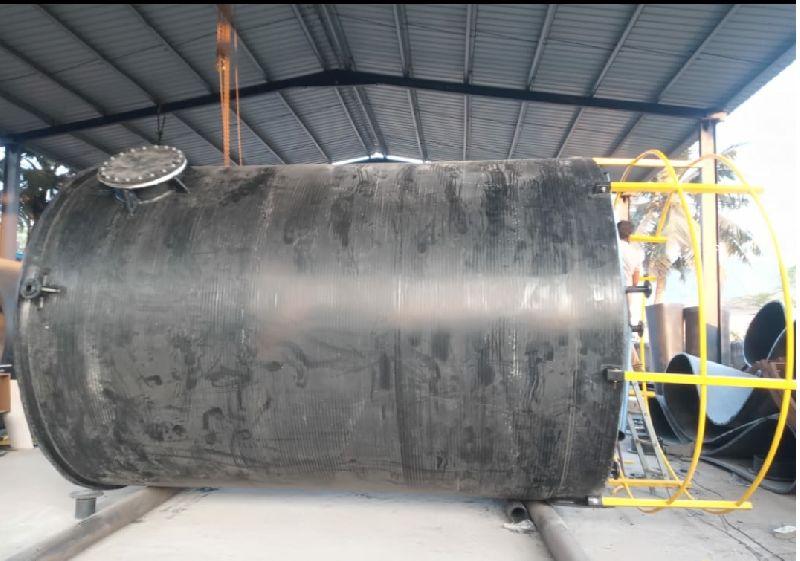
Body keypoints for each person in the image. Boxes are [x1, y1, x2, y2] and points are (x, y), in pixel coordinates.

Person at [616, 220, 645, 442]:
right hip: (624, 301)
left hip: (608, 299)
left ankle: (637, 366)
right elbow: (636, 281)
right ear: (630, 235)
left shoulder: (611, 247)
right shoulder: (634, 253)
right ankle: (619, 423)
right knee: (624, 347)